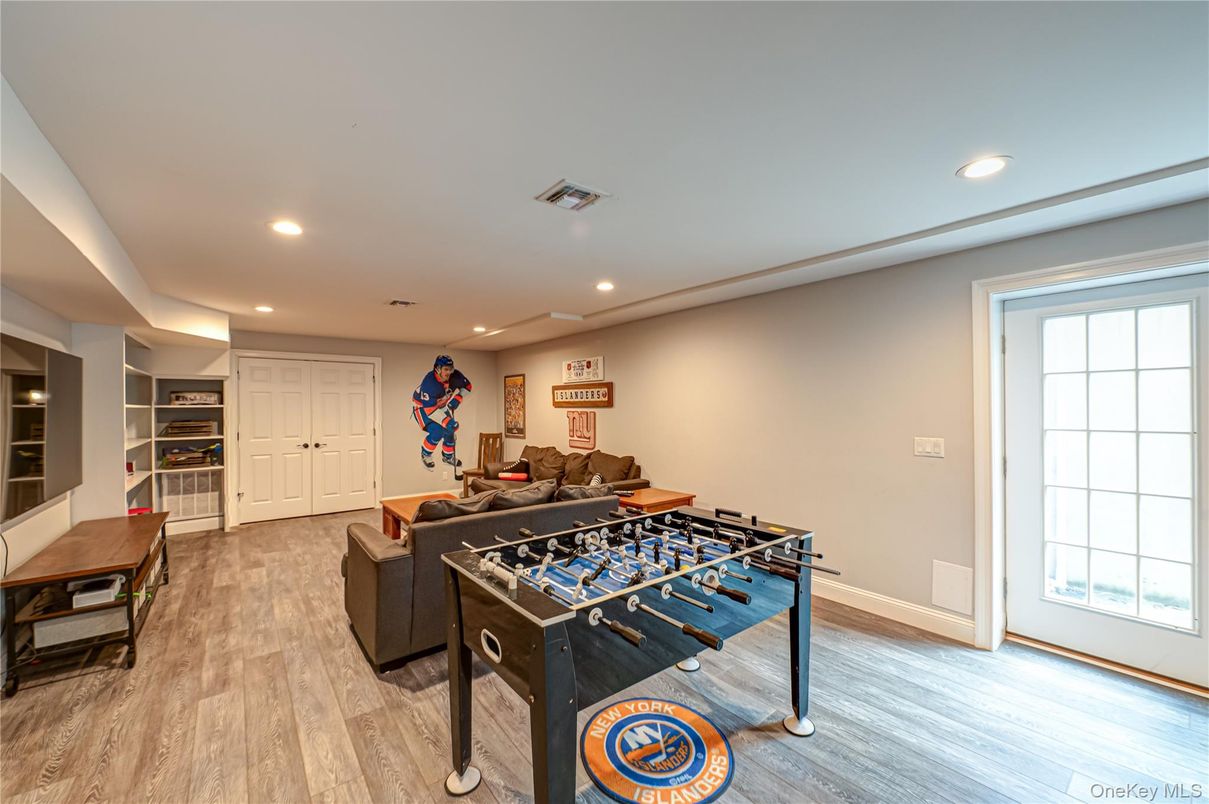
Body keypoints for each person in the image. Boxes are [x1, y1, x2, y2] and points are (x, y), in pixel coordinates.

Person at [412, 355, 471, 471]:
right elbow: (430, 410)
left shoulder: (456, 376)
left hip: (440, 406)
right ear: (438, 369)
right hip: (423, 407)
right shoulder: (429, 383)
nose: (449, 372)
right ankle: (426, 454)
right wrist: (447, 421)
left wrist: (458, 398)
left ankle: (448, 457)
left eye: (450, 369)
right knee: (438, 431)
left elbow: (468, 386)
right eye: (446, 369)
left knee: (450, 430)